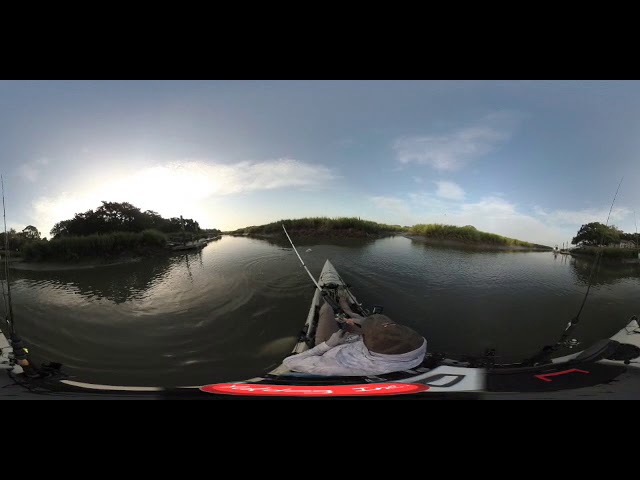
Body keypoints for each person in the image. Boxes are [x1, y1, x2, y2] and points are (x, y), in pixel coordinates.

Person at [282, 289, 427, 376]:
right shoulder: (414, 346)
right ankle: (345, 307)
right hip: (356, 342)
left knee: (327, 308)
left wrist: (327, 345)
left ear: (368, 341)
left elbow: (290, 362)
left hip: (334, 346)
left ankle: (339, 306)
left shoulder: (337, 366)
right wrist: (364, 323)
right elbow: (385, 333)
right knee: (351, 317)